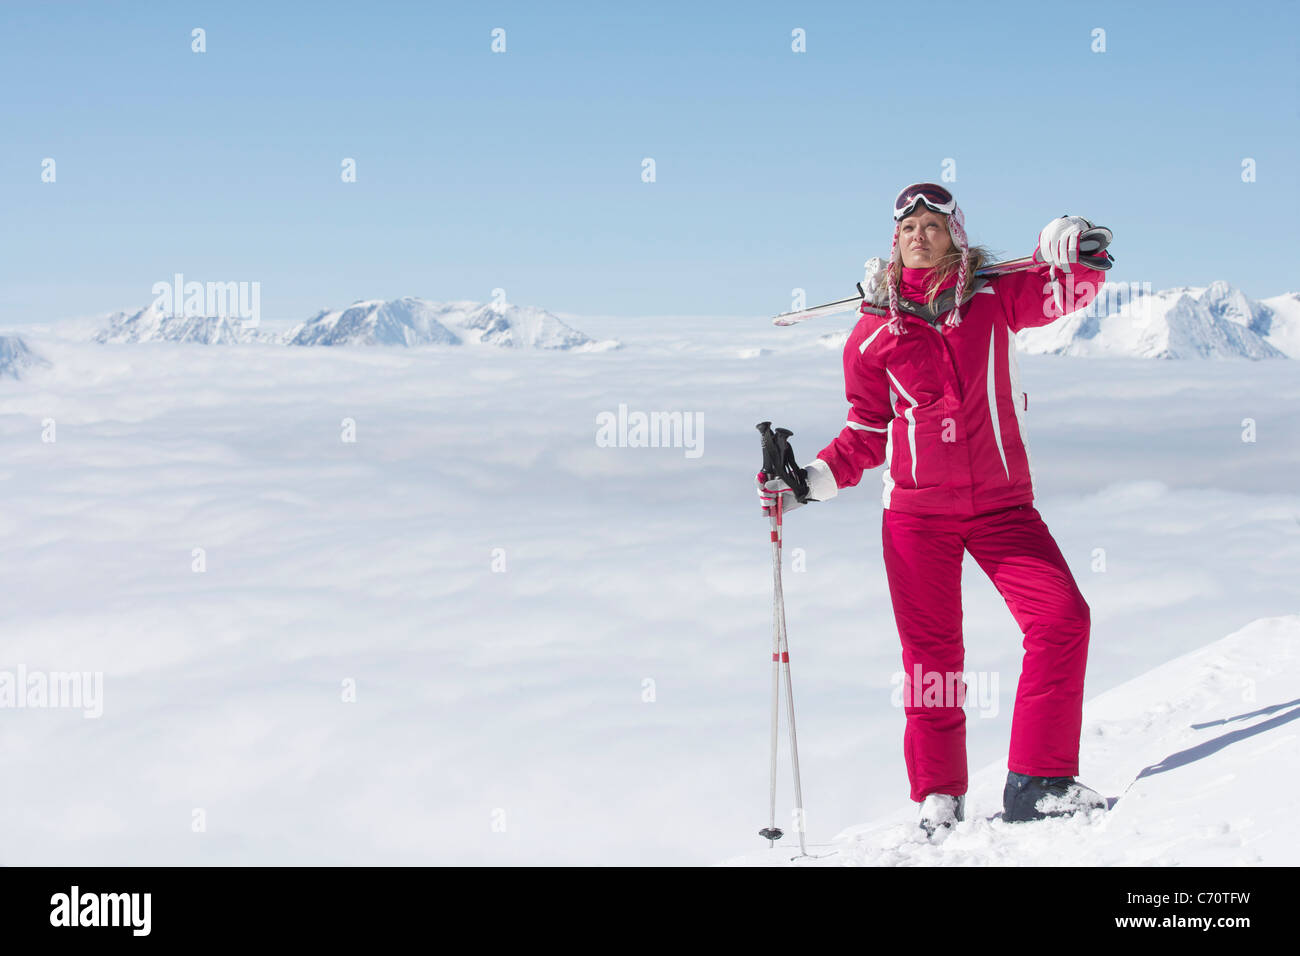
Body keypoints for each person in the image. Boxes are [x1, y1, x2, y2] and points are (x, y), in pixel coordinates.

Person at [757, 183, 1110, 838]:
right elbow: (867, 430)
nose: (920, 234)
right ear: (895, 243)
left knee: (1063, 619)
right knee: (933, 661)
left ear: (956, 237)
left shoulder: (996, 298)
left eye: (934, 225)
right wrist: (807, 480)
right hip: (917, 516)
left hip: (1004, 507)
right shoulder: (872, 335)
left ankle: (1038, 780)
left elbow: (1072, 289)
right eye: (909, 227)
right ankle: (939, 795)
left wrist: (1078, 244)